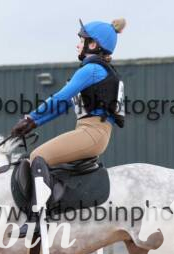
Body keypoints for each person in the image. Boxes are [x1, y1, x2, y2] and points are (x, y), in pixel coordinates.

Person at [11, 18, 127, 237]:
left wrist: (30, 117)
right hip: (88, 131)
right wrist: (32, 123)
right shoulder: (97, 70)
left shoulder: (92, 69)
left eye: (81, 40)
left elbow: (60, 97)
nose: (77, 45)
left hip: (92, 132)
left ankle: (37, 220)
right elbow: (60, 106)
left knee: (38, 156)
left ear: (93, 44)